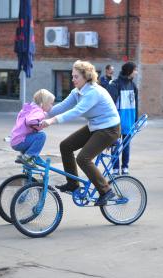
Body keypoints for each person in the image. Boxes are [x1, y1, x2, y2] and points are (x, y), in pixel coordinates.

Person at [42, 60, 120, 206]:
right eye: (72, 76)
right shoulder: (77, 91)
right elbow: (63, 106)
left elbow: (77, 111)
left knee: (83, 158)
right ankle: (73, 184)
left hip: (109, 129)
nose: (73, 80)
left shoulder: (93, 92)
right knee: (66, 146)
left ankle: (106, 190)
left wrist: (52, 121)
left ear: (86, 77)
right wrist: (41, 113)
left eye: (76, 77)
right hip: (95, 126)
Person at [108, 61, 139, 175]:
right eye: (135, 70)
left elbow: (136, 104)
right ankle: (115, 169)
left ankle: (125, 167)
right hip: (116, 122)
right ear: (130, 71)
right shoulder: (115, 84)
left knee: (126, 146)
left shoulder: (133, 85)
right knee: (115, 145)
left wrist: (136, 119)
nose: (136, 72)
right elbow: (109, 103)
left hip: (129, 120)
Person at [11, 89, 55, 166]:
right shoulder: (38, 111)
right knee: (41, 136)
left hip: (15, 140)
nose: (52, 106)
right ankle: (28, 157)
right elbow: (30, 121)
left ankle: (24, 156)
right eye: (51, 103)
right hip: (21, 141)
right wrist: (40, 124)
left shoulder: (29, 109)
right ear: (42, 104)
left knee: (34, 135)